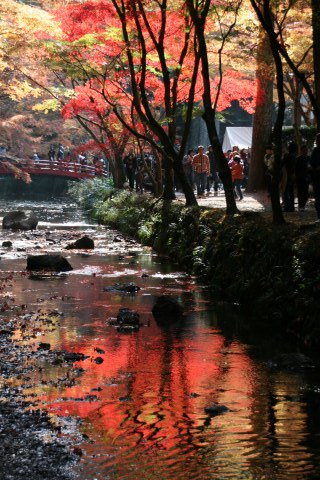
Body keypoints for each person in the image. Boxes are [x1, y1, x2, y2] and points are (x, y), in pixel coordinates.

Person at [282, 142, 298, 212]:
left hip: (287, 175)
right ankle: (292, 208)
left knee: (286, 191)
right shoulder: (295, 157)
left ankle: (287, 207)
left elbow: (281, 164)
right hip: (293, 175)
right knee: (291, 192)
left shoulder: (287, 156)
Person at [295, 144, 311, 211]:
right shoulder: (298, 159)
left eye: (306, 150)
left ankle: (303, 205)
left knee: (305, 192)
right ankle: (301, 205)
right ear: (301, 151)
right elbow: (296, 169)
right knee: (300, 192)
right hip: (300, 178)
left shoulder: (309, 158)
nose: (305, 151)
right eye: (304, 150)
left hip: (307, 178)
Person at [310, 133, 320, 221]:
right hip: (317, 178)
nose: (317, 141)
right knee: (318, 196)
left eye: (318, 140)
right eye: (317, 140)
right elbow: (311, 163)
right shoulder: (315, 151)